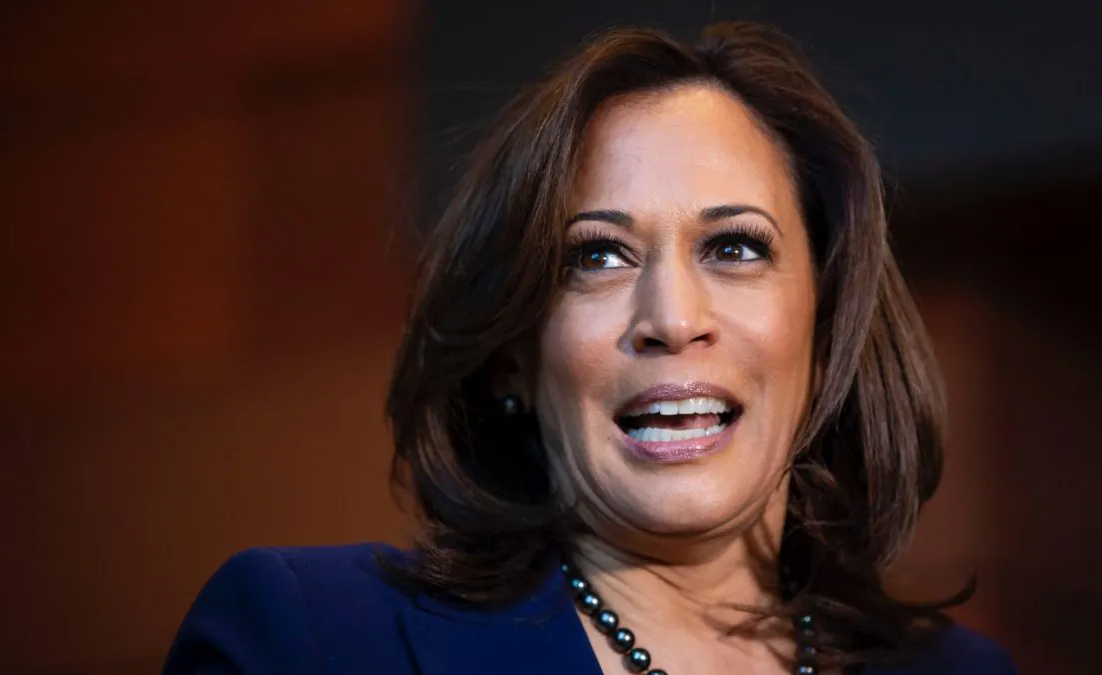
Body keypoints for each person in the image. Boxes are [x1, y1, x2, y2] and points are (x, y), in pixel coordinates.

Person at [164, 21, 1017, 675]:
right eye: (598, 257)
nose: (672, 318)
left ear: (827, 331)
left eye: (734, 246)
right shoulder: (308, 638)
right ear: (512, 355)